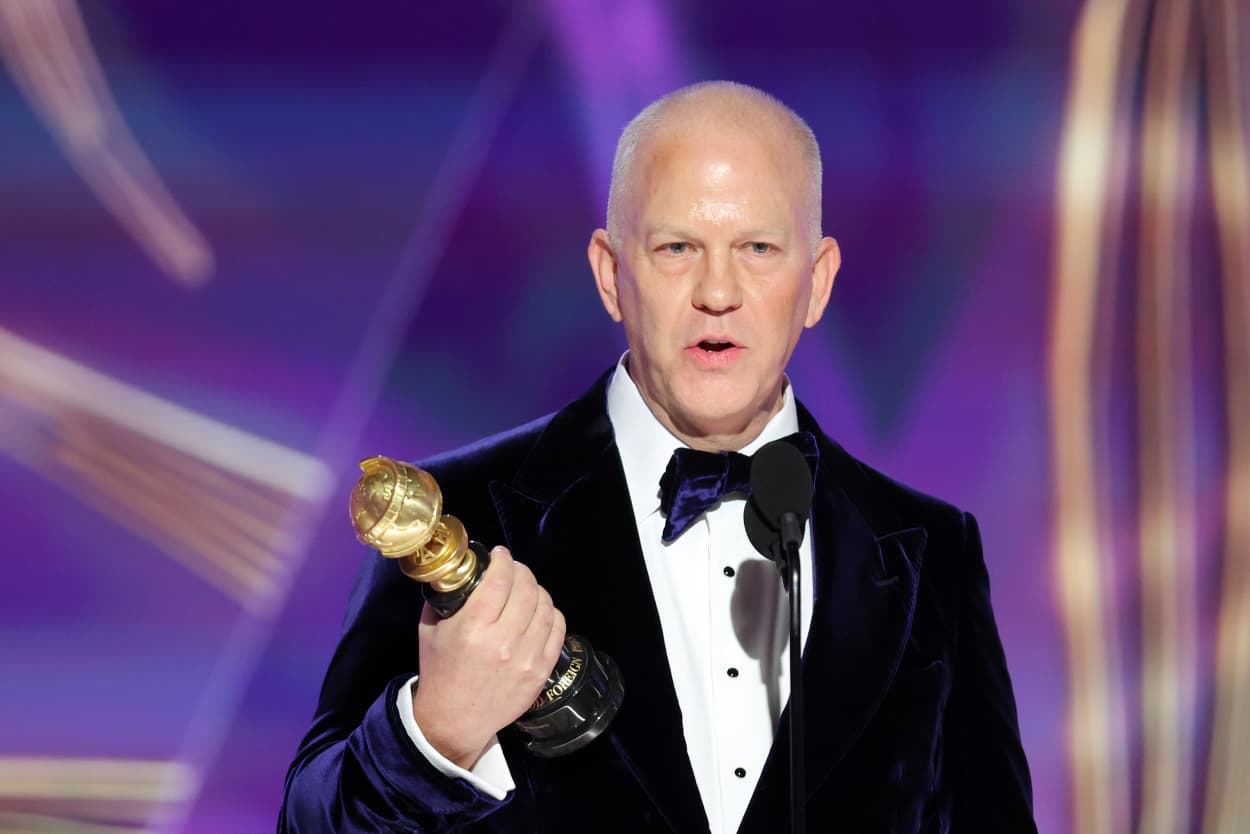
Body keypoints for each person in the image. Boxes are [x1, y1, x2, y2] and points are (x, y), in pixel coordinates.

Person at [280, 81, 1037, 834]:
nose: (718, 291)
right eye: (677, 248)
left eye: (759, 249)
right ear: (612, 275)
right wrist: (437, 734)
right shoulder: (454, 513)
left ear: (818, 281)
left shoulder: (931, 550)